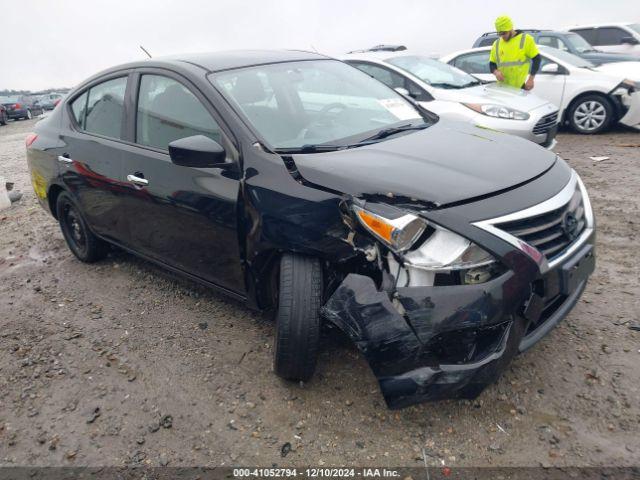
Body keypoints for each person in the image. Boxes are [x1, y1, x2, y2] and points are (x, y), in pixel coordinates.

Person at [489, 15, 541, 90]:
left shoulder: (526, 39)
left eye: (504, 33)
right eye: (499, 34)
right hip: (502, 89)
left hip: (520, 88)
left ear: (510, 28)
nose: (502, 36)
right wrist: (496, 72)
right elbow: (492, 64)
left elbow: (537, 59)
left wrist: (531, 79)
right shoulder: (496, 44)